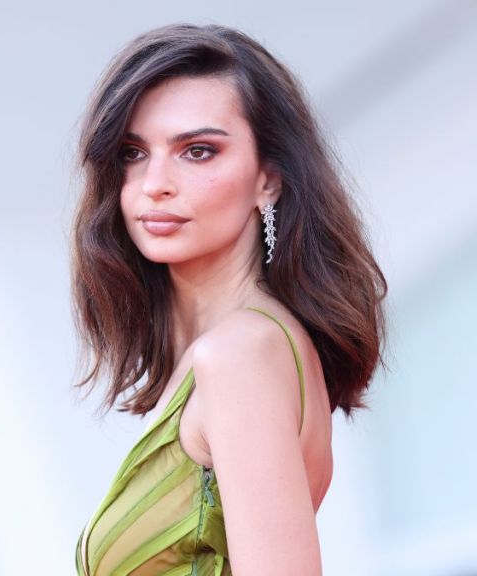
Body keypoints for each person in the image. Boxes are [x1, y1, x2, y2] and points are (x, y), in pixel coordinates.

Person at [70, 23, 387, 576]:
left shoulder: (240, 356)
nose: (155, 183)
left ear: (269, 178)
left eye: (197, 151)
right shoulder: (236, 350)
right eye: (132, 153)